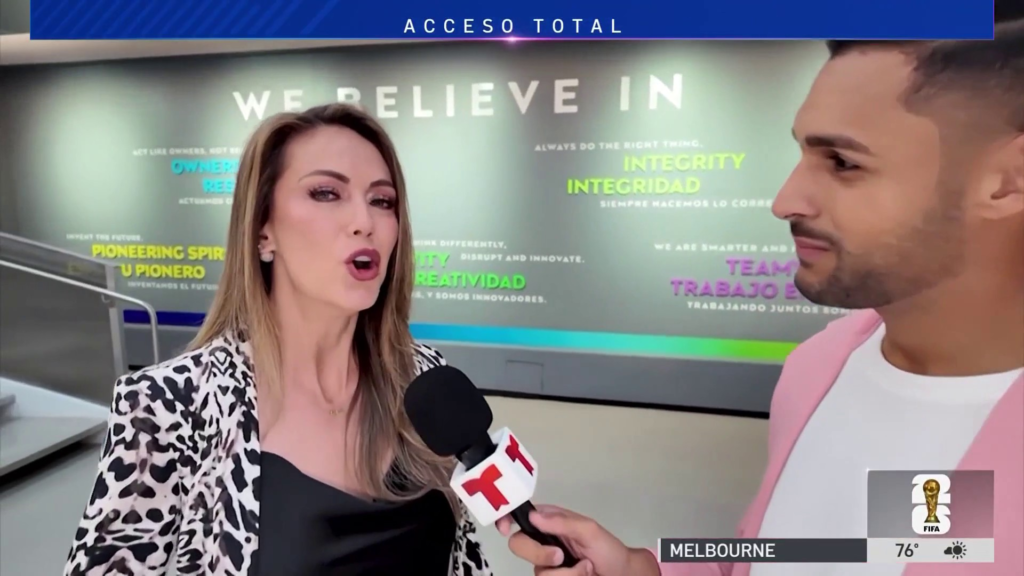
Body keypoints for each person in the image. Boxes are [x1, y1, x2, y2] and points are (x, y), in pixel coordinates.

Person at [497, 19, 1024, 576]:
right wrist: (640, 569)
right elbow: (836, 553)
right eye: (803, 154)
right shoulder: (818, 367)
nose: (784, 200)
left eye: (843, 163)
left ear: (1008, 180)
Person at [63, 104, 493, 576]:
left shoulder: (423, 378)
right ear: (263, 231)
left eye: (382, 200)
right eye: (326, 193)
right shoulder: (170, 405)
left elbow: (465, 561)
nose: (364, 221)